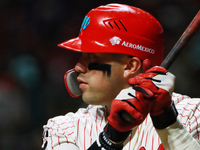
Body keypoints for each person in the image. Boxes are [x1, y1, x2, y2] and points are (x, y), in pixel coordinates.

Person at [41, 3, 200, 150]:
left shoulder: (192, 113)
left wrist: (168, 122)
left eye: (92, 57)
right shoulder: (65, 128)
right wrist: (110, 138)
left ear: (130, 66)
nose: (78, 66)